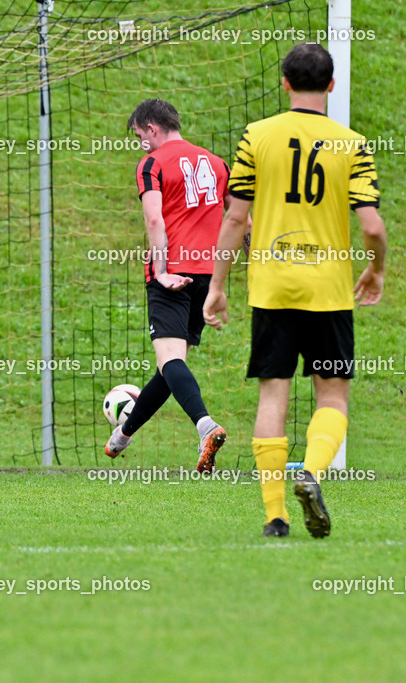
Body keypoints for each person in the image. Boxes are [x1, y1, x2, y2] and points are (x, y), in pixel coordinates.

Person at [203, 43, 386, 538]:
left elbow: (235, 218)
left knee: (273, 395)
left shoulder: (257, 136)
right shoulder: (352, 143)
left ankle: (275, 517)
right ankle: (312, 472)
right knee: (333, 396)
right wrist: (376, 270)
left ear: (284, 84)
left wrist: (217, 285)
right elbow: (372, 227)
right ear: (332, 85)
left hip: (272, 287)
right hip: (328, 290)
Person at [104, 99, 229, 472]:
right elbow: (242, 222)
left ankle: (205, 425)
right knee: (169, 366)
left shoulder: (152, 163)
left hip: (173, 273)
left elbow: (154, 220)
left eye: (139, 136)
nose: (140, 144)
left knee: (171, 360)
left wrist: (160, 271)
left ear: (152, 128)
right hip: (206, 275)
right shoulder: (217, 163)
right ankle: (123, 434)